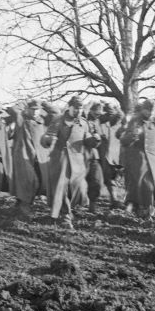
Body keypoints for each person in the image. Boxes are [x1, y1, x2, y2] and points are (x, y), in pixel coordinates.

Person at [42, 95, 100, 230]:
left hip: (78, 161)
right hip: (60, 159)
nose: (79, 112)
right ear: (70, 107)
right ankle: (65, 217)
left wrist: (95, 140)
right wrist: (48, 138)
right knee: (61, 189)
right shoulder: (59, 120)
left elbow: (87, 140)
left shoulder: (84, 123)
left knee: (78, 188)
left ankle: (67, 210)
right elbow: (49, 135)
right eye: (76, 109)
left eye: (80, 109)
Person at [119, 99, 155, 219]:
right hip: (138, 158)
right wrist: (132, 136)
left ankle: (147, 209)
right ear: (143, 109)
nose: (150, 113)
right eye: (148, 110)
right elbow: (124, 141)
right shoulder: (134, 121)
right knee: (144, 185)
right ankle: (141, 209)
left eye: (152, 111)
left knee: (154, 186)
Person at [6, 99, 48, 218]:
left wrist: (44, 103)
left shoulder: (42, 122)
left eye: (37, 110)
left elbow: (55, 113)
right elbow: (14, 109)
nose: (35, 112)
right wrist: (25, 102)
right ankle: (24, 207)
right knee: (30, 181)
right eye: (33, 109)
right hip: (24, 156)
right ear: (28, 110)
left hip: (39, 157)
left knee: (39, 182)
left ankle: (21, 203)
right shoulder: (21, 120)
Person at [98, 103, 125, 209]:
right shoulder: (101, 122)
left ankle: (118, 200)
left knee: (115, 177)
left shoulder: (118, 122)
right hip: (104, 154)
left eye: (111, 113)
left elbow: (120, 116)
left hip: (116, 154)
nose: (109, 115)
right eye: (107, 113)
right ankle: (114, 200)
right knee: (108, 178)